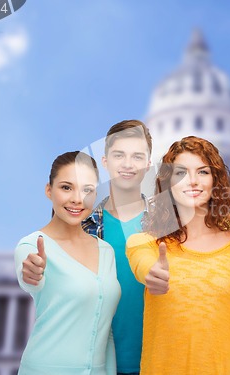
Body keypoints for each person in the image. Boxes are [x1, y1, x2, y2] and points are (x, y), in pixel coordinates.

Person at [126, 136, 230, 375]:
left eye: (203, 172)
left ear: (215, 181)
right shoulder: (145, 244)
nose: (193, 181)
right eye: (181, 173)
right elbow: (145, 266)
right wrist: (153, 274)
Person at [15, 151, 121, 375]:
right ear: (48, 190)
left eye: (87, 190)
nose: (77, 199)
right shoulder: (32, 245)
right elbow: (29, 278)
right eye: (66, 187)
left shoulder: (106, 251)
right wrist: (31, 274)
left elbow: (105, 329)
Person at [82, 120, 152, 375]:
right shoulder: (83, 225)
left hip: (158, 362)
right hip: (98, 363)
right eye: (119, 155)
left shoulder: (170, 225)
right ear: (105, 162)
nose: (127, 164)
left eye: (137, 156)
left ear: (148, 164)